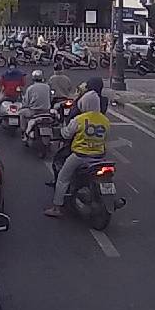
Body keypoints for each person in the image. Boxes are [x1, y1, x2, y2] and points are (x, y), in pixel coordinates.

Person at [46, 79, 109, 218]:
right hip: (99, 156)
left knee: (63, 178)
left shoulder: (79, 119)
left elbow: (66, 134)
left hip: (80, 155)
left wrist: (60, 131)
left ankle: (57, 208)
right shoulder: (105, 120)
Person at [20, 70, 52, 144]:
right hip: (46, 111)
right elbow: (50, 98)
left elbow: (26, 102)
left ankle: (24, 132)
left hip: (34, 112)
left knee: (21, 113)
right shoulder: (47, 87)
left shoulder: (30, 88)